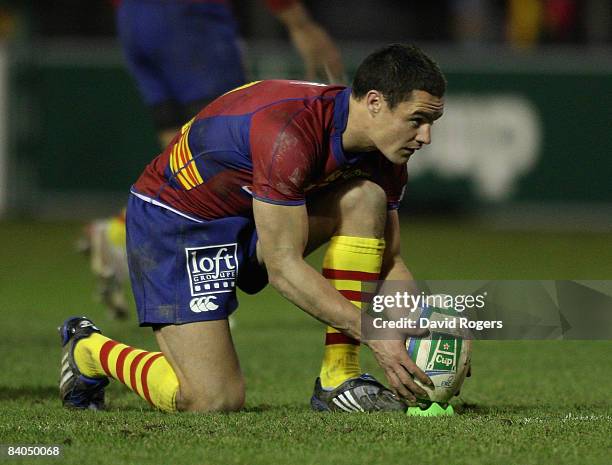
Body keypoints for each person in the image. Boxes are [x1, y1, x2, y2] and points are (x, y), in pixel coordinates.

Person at [60, 43, 446, 413]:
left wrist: (425, 333)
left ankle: (338, 380)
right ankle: (90, 351)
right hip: (180, 224)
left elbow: (390, 261)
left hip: (255, 218)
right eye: (417, 120)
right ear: (375, 102)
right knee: (212, 399)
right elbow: (283, 268)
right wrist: (376, 332)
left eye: (432, 122)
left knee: (365, 198)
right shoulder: (290, 132)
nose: (426, 137)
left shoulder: (386, 155)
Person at [85, 0, 346, 318]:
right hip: (191, 16)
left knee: (181, 155)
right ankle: (202, 289)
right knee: (225, 136)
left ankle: (118, 233)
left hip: (132, 17)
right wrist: (299, 22)